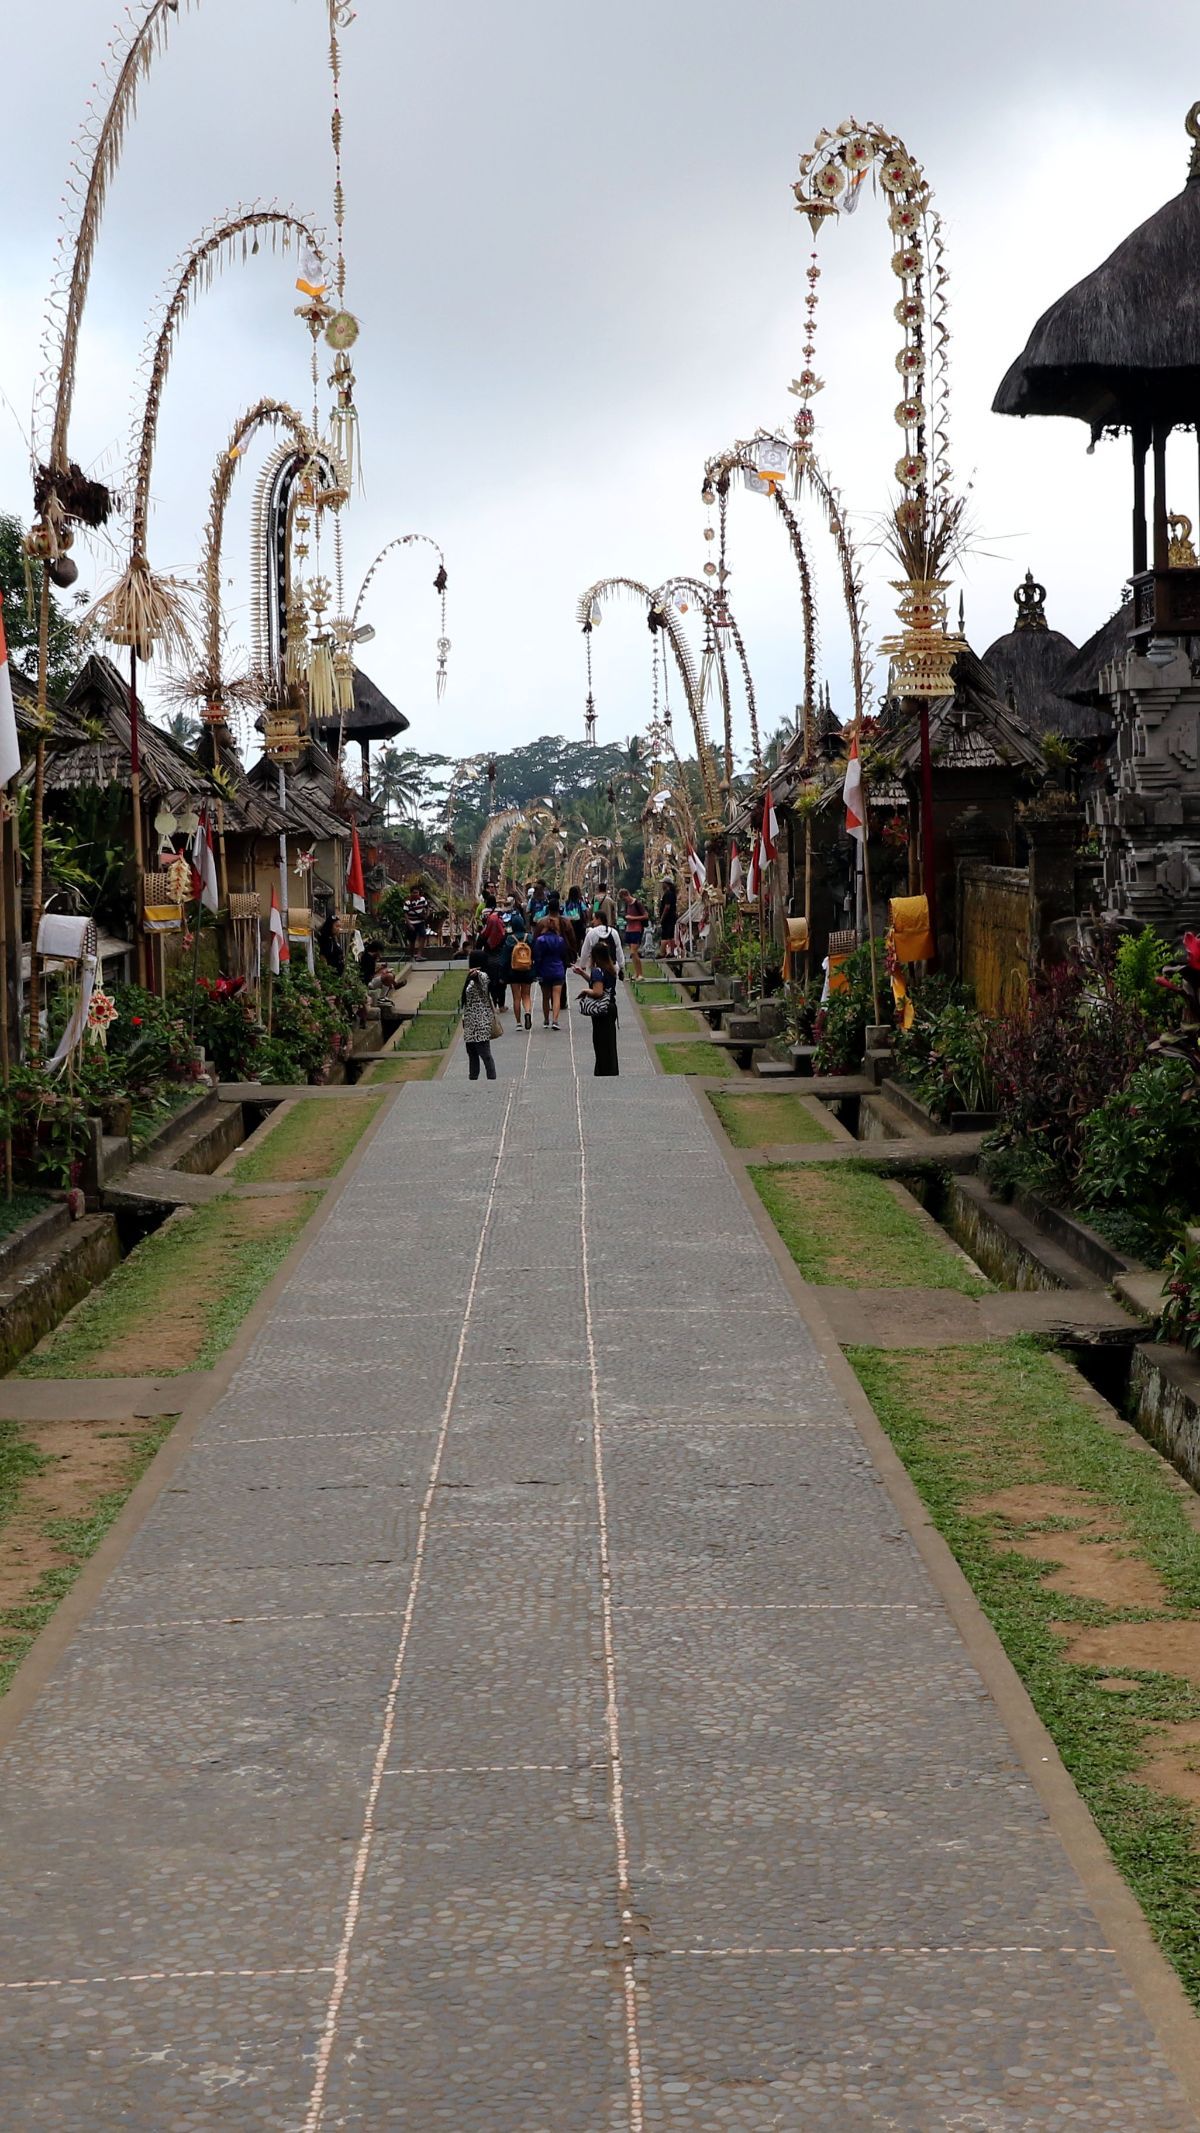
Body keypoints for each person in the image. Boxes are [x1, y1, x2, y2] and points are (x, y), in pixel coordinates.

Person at [577, 935, 620, 1076]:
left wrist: (585, 991)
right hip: (611, 1006)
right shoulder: (611, 969)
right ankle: (611, 1069)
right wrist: (583, 974)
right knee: (610, 1041)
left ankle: (602, 1070)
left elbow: (597, 991)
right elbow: (599, 983)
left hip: (602, 1010)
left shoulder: (597, 970)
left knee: (600, 1041)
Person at [532, 908, 571, 1029]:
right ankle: (555, 1020)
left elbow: (537, 957)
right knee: (557, 996)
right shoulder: (560, 940)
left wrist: (536, 970)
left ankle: (546, 1019)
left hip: (544, 971)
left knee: (545, 997)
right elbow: (563, 955)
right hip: (558, 969)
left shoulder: (540, 940)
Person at [461, 951, 497, 1080]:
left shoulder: (482, 975)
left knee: (485, 1053)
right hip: (471, 1022)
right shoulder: (470, 978)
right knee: (471, 1053)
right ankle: (473, 1078)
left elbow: (481, 978)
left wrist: (475, 974)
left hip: (480, 1021)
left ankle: (491, 1078)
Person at [506, 911, 535, 1030]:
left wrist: (503, 973)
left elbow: (505, 957)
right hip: (527, 969)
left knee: (516, 997)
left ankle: (518, 1023)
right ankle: (527, 1012)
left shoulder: (509, 939)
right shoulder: (529, 937)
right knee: (526, 995)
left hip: (513, 971)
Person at [578, 908, 625, 978]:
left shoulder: (591, 933)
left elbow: (585, 950)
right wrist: (621, 966)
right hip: (612, 967)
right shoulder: (614, 932)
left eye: (594, 919)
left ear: (599, 919)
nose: (592, 921)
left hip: (597, 968)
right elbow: (618, 950)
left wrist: (582, 965)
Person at [622, 889, 648, 980]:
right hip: (629, 929)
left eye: (625, 899)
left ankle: (640, 974)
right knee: (633, 954)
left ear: (627, 895)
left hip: (637, 929)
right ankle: (636, 973)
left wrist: (633, 918)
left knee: (634, 951)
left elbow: (645, 916)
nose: (625, 901)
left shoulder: (637, 903)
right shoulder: (627, 905)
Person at [317, 904, 345, 975]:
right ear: (330, 926)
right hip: (332, 974)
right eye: (337, 926)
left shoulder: (333, 938)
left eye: (340, 926)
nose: (339, 929)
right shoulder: (325, 939)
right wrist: (327, 973)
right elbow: (323, 956)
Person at [405, 884, 431, 959]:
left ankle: (419, 955)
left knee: (423, 936)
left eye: (417, 892)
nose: (415, 894)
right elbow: (405, 914)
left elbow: (427, 907)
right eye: (414, 893)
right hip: (411, 923)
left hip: (420, 922)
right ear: (411, 893)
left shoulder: (422, 899)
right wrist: (409, 924)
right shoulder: (408, 902)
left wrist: (427, 915)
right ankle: (412, 955)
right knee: (412, 940)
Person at [658, 878, 678, 956]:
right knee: (670, 936)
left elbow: (667, 907)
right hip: (672, 917)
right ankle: (672, 952)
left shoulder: (668, 894)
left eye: (663, 883)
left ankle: (662, 953)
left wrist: (662, 918)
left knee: (664, 936)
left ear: (666, 884)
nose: (662, 885)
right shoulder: (672, 894)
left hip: (667, 918)